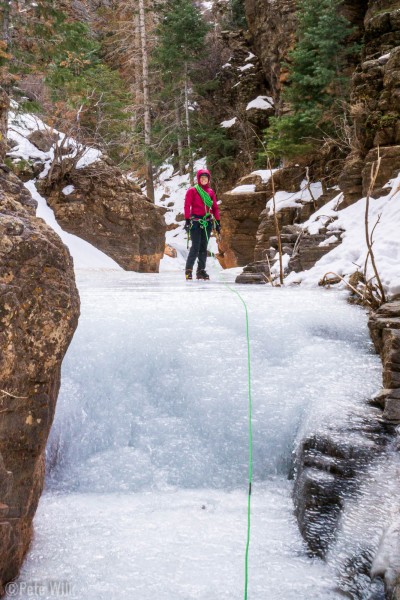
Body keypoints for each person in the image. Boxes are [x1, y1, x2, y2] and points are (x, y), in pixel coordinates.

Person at [184, 168, 221, 280]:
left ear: (208, 179)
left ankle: (201, 270)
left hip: (207, 222)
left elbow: (215, 208)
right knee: (195, 246)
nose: (204, 179)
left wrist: (218, 222)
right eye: (202, 178)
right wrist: (187, 220)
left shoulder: (210, 192)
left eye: (206, 178)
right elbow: (187, 205)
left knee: (203, 247)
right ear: (199, 179)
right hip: (195, 222)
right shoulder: (192, 190)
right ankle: (188, 270)